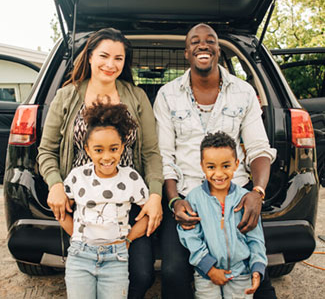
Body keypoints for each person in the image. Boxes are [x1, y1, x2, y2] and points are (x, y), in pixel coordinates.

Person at [153, 23, 277, 299]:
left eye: (210, 40)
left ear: (218, 50)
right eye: (195, 41)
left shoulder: (243, 92)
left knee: (259, 274)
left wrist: (257, 193)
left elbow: (258, 149)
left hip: (235, 197)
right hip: (187, 197)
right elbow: (164, 156)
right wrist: (174, 201)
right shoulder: (167, 95)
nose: (203, 45)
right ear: (186, 52)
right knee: (173, 271)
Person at [37, 27, 163, 298]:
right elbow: (46, 150)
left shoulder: (136, 97)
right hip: (80, 203)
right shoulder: (67, 95)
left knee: (141, 274)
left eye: (118, 58)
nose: (110, 64)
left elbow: (152, 152)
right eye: (104, 56)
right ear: (90, 56)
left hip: (126, 203)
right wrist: (56, 185)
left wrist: (154, 195)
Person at [60, 98, 149, 298]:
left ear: (123, 146)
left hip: (116, 257)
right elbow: (62, 210)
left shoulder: (131, 178)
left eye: (114, 149)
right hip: (80, 256)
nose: (107, 157)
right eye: (99, 150)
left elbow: (147, 214)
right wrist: (77, 237)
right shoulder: (77, 176)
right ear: (87, 149)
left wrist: (128, 239)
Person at [177, 131, 267, 299]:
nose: (218, 174)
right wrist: (209, 268)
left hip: (241, 273)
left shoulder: (244, 198)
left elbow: (256, 238)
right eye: (211, 167)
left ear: (236, 164)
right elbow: (190, 236)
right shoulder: (194, 199)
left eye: (226, 166)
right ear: (202, 166)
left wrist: (257, 267)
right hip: (206, 276)